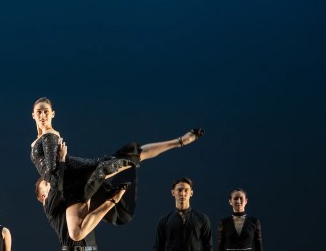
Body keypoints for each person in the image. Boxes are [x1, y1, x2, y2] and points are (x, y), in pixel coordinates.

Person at [30, 97, 203, 240]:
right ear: (33, 115)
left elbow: (52, 172)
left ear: (53, 114)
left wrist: (60, 163)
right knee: (76, 234)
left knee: (134, 156)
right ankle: (111, 200)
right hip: (71, 187)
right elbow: (51, 174)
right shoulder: (39, 140)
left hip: (81, 174)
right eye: (39, 111)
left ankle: (180, 141)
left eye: (46, 111)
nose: (43, 115)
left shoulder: (49, 136)